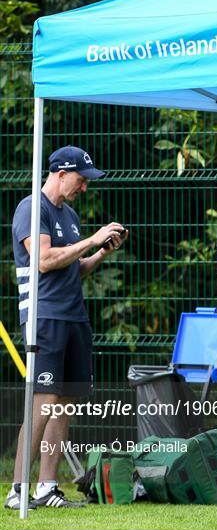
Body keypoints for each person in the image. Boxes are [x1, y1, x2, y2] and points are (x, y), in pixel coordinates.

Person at [5, 145, 127, 510]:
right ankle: (17, 490)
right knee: (42, 404)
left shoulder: (70, 215)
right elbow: (43, 261)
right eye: (81, 180)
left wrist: (101, 251)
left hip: (75, 318)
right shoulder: (31, 208)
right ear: (60, 174)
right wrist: (90, 239)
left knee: (63, 407)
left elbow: (74, 267)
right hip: (45, 319)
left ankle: (46, 487)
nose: (84, 188)